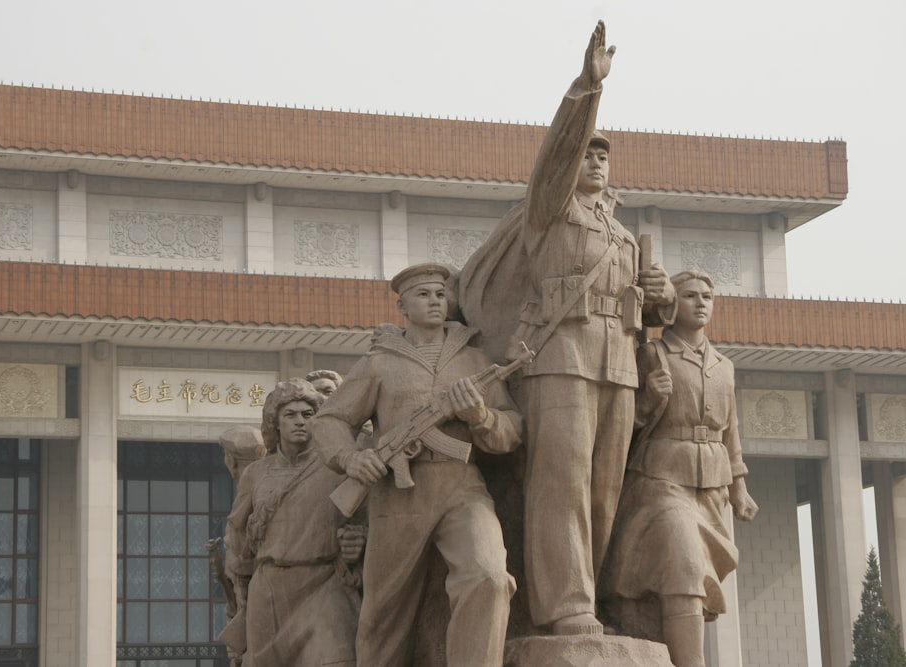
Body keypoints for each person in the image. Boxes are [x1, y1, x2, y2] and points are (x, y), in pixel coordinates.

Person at [491, 20, 677, 636]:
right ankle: (562, 605)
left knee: (603, 492)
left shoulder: (624, 235)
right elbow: (555, 157)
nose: (593, 160)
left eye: (603, 154)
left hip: (617, 362)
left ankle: (588, 596)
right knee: (560, 484)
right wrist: (586, 88)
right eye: (588, 152)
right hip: (561, 353)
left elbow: (646, 313)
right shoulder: (549, 210)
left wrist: (662, 299)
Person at [311, 262, 523, 667]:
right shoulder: (379, 363)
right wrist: (352, 458)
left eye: (441, 294)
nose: (434, 302)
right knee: (383, 614)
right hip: (398, 494)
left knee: (489, 577)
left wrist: (480, 417)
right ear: (403, 305)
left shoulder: (476, 360)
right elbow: (331, 420)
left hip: (462, 486)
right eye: (423, 294)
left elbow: (512, 430)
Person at [600, 271, 758, 667]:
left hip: (711, 486)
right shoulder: (653, 354)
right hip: (661, 478)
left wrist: (739, 486)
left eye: (707, 296)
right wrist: (650, 400)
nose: (700, 303)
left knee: (696, 574)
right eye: (690, 295)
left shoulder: (724, 365)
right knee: (684, 564)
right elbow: (619, 425)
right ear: (672, 305)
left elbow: (730, 431)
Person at [224, 379, 365, 667]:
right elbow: (237, 531)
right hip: (269, 593)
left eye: (307, 414)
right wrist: (240, 587)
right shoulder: (256, 474)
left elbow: (368, 521)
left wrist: (359, 541)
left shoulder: (338, 467)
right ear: (275, 422)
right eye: (290, 415)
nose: (300, 421)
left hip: (325, 585)